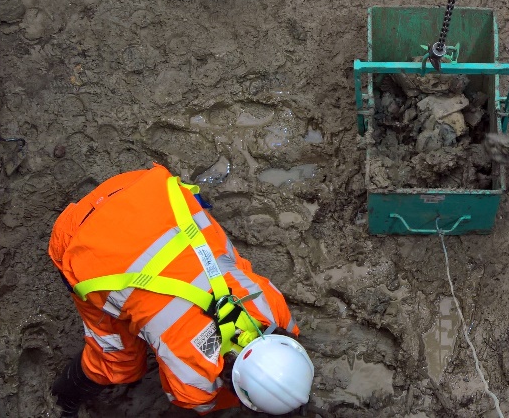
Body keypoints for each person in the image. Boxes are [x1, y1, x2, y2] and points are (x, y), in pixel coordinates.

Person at [48, 165, 314, 416]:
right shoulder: (193, 385)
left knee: (231, 262)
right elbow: (204, 402)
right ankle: (62, 400)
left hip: (143, 190)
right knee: (118, 366)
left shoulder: (277, 310)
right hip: (77, 239)